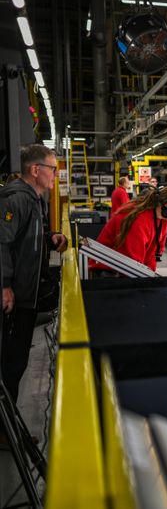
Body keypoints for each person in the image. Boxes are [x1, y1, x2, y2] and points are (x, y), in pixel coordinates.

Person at [0, 144, 68, 403]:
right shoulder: (15, 198)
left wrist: (51, 238)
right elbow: (2, 243)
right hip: (14, 297)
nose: (55, 174)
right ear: (35, 169)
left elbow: (25, 238)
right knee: (11, 363)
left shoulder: (35, 199)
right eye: (52, 169)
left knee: (17, 362)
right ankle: (6, 432)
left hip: (26, 294)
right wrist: (5, 285)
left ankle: (10, 426)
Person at [90, 185, 167, 274]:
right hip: (106, 271)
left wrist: (149, 275)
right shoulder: (138, 220)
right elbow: (132, 262)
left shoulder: (161, 221)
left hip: (125, 270)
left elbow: (152, 255)